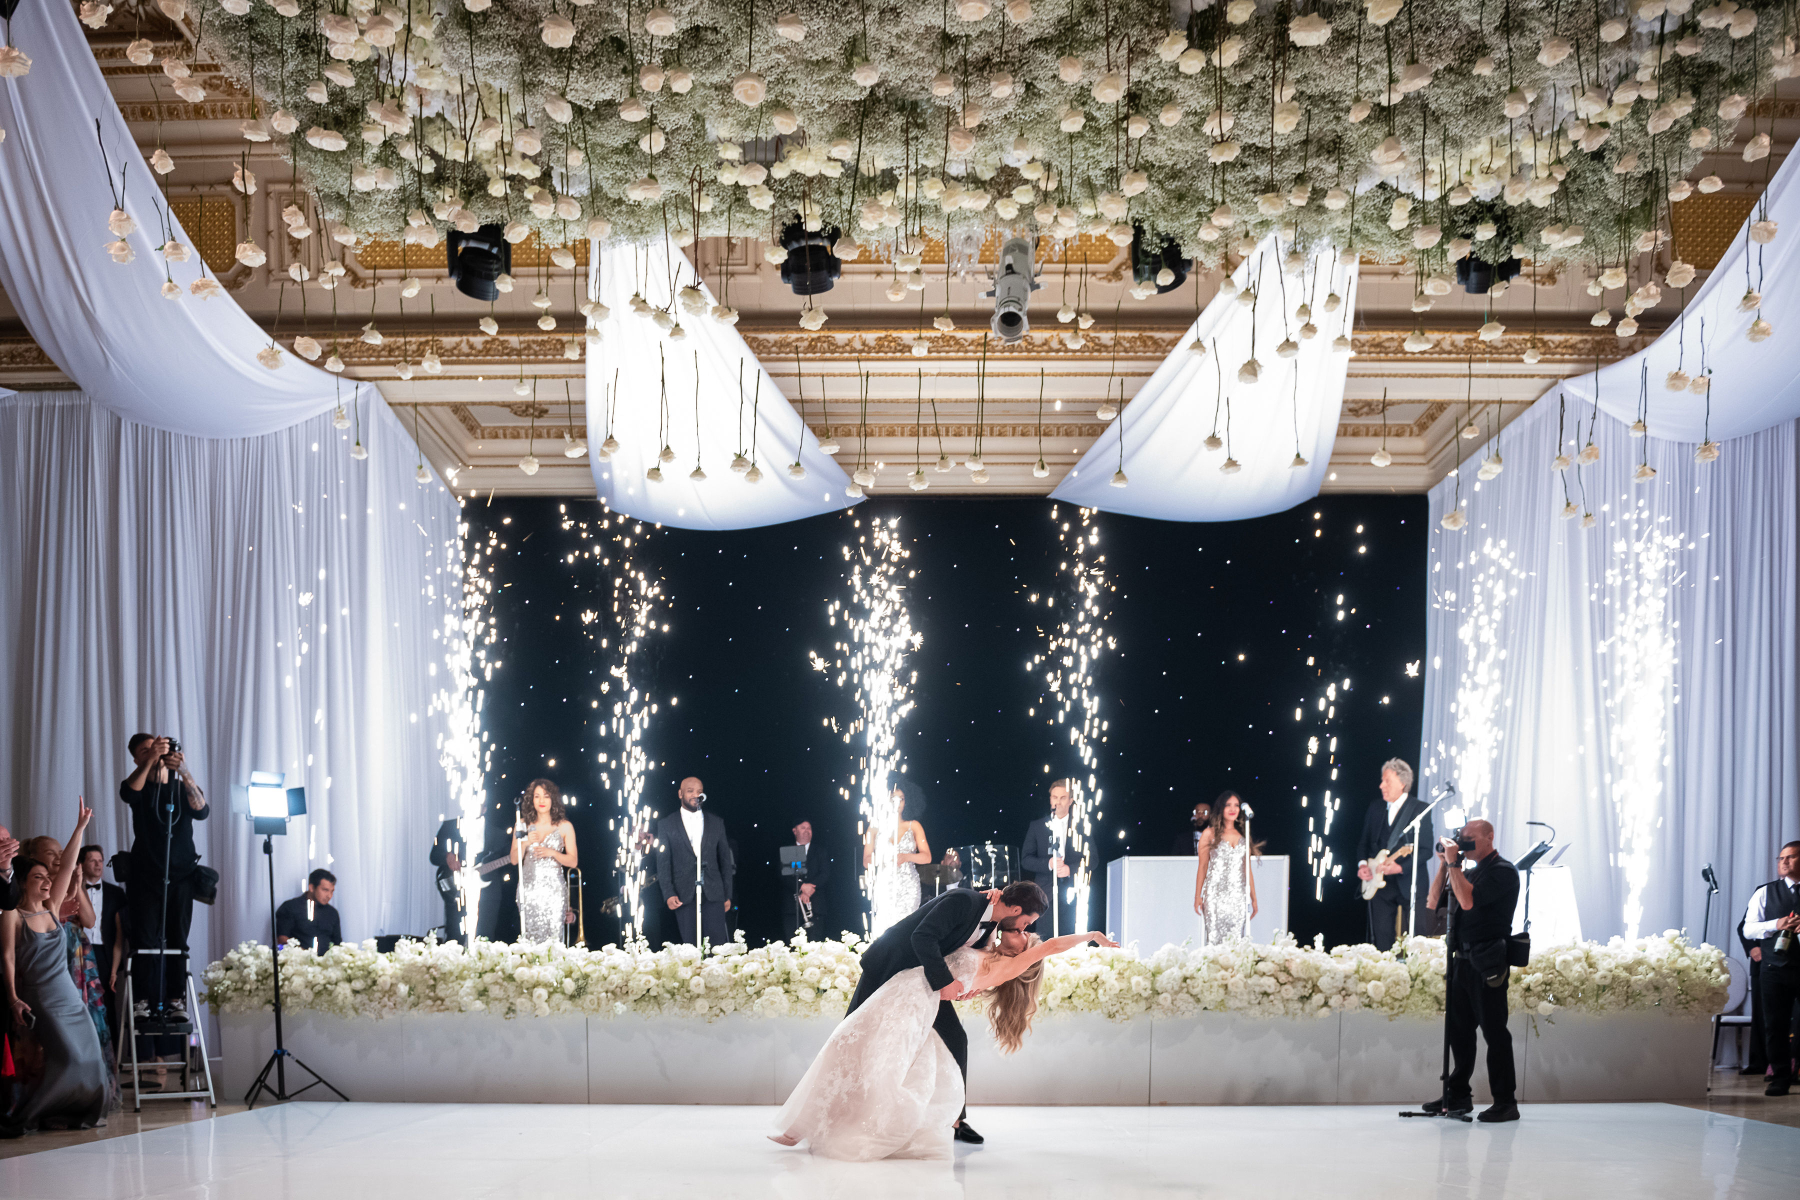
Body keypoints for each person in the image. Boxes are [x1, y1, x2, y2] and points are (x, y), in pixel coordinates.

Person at [771, 881, 1053, 1156]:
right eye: (1027, 922)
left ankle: (956, 1119)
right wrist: (945, 982)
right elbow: (923, 936)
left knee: (956, 1038)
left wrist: (968, 985)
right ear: (1015, 910)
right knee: (848, 1041)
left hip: (921, 985)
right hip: (889, 969)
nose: (1025, 929)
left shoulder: (992, 922)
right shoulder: (964, 901)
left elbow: (965, 955)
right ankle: (804, 1124)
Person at [1, 803, 108, 1131]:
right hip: (41, 997)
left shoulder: (50, 908)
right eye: (38, 877)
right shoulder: (12, 915)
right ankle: (26, 1116)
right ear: (23, 882)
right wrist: (13, 997)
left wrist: (80, 827)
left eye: (48, 878)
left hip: (69, 995)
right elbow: (6, 957)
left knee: (91, 1057)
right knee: (68, 1059)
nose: (48, 882)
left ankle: (77, 1113)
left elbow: (67, 868)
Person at [1422, 818, 1520, 1123]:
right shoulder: (1470, 872)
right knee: (1459, 1033)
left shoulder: (1503, 871)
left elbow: (1466, 901)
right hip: (1461, 961)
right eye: (1460, 839)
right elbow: (1432, 902)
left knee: (1494, 1032)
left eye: (1469, 839)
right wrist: (1443, 865)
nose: (1463, 845)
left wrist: (1455, 864)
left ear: (1489, 837)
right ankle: (1458, 1095)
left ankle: (1506, 1102)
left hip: (1488, 961)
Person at [119, 733, 210, 1018]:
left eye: (159, 748)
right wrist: (149, 762)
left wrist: (184, 771)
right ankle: (142, 1001)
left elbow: (202, 810)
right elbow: (127, 793)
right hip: (146, 874)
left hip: (182, 874)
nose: (156, 752)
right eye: (146, 750)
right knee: (145, 940)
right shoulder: (139, 782)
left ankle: (175, 999)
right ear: (136, 758)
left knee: (177, 939)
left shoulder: (181, 786)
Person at [1355, 758, 1434, 951]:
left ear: (1402, 783)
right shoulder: (1375, 807)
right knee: (1381, 938)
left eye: (1387, 781)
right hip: (1379, 884)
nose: (1381, 785)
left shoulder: (1420, 810)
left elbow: (1426, 850)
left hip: (1411, 882)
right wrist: (1362, 866)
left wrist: (1400, 867)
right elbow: (1363, 843)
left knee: (1417, 939)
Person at [1743, 840, 1800, 1096]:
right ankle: (1780, 1076)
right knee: (1774, 1023)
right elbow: (1748, 928)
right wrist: (1775, 924)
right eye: (1781, 858)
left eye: (1790, 857)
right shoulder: (1765, 892)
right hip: (1774, 968)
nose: (1784, 862)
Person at [653, 777, 733, 949]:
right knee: (691, 948)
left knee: (718, 948)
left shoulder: (716, 822)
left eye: (699, 791)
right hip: (683, 894)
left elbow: (726, 861)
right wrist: (668, 893)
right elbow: (663, 862)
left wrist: (727, 894)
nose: (695, 794)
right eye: (690, 791)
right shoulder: (666, 824)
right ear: (680, 793)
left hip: (714, 892)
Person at [511, 779, 579, 946]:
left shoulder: (565, 826)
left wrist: (553, 853)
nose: (541, 801)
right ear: (531, 800)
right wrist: (525, 842)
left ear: (553, 799)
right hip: (529, 890)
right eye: (537, 796)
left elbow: (573, 861)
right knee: (530, 940)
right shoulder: (522, 824)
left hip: (554, 892)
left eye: (546, 796)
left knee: (553, 939)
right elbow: (513, 859)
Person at [1020, 779, 1085, 937]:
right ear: (1050, 799)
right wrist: (1048, 864)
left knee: (1071, 941)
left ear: (1071, 801)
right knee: (1046, 942)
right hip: (1045, 895)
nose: (1058, 802)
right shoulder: (1037, 826)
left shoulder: (1081, 828)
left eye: (1063, 798)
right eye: (1054, 797)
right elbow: (1026, 859)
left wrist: (1070, 869)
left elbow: (1092, 859)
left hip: (1074, 893)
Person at [1192, 791, 1258, 945]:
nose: (1232, 809)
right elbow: (1202, 867)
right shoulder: (1209, 833)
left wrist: (1254, 899)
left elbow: (1247, 869)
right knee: (1214, 940)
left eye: (1236, 805)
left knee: (1235, 941)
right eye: (1228, 805)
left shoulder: (1243, 835)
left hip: (1238, 896)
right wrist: (1198, 896)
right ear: (1221, 808)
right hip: (1216, 895)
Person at [865, 775, 930, 917]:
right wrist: (883, 859)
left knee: (907, 927)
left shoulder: (914, 826)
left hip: (909, 886)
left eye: (902, 799)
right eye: (894, 798)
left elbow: (927, 857)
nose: (898, 802)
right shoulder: (875, 827)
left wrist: (907, 856)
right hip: (884, 884)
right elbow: (866, 860)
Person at [78, 846, 126, 1029]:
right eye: (93, 860)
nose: (98, 865)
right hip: (78, 952)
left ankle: (111, 1053)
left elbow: (120, 937)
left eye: (100, 860)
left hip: (104, 954)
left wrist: (114, 970)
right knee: (81, 1000)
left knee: (107, 1001)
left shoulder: (117, 894)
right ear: (81, 864)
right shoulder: (73, 889)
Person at [275, 869, 343, 955]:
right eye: (325, 890)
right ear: (311, 887)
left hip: (326, 965)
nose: (329, 896)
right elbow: (282, 939)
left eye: (332, 891)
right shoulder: (290, 907)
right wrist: (305, 955)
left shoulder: (332, 913)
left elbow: (337, 944)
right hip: (296, 963)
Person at [788, 820, 834, 938]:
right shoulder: (789, 850)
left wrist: (810, 887)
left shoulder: (820, 851)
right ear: (795, 830)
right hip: (793, 910)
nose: (807, 831)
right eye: (803, 827)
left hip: (816, 907)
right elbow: (785, 875)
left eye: (809, 828)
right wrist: (802, 887)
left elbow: (825, 873)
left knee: (815, 946)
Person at [429, 818, 466, 942]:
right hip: (455, 889)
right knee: (455, 930)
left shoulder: (492, 828)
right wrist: (447, 855)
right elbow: (434, 856)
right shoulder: (452, 825)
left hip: (485, 890)